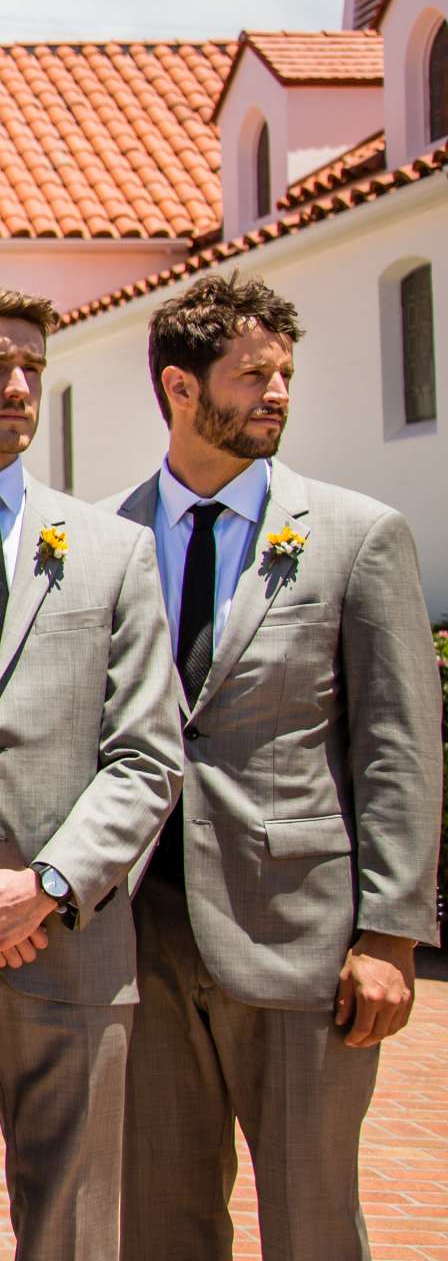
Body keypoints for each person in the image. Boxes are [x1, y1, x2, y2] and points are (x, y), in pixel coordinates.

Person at [113, 272, 441, 1261]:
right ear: (180, 386)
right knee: (160, 1222)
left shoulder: (356, 537)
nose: (278, 393)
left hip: (303, 942)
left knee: (311, 1220)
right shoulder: (100, 537)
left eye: (286, 373)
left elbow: (398, 742)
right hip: (141, 942)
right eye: (254, 374)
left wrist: (390, 934)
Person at [0, 286, 183, 1260]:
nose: (20, 386)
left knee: (76, 1220)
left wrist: (49, 885)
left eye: (33, 367)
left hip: (71, 932)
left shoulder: (114, 549)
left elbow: (147, 750)